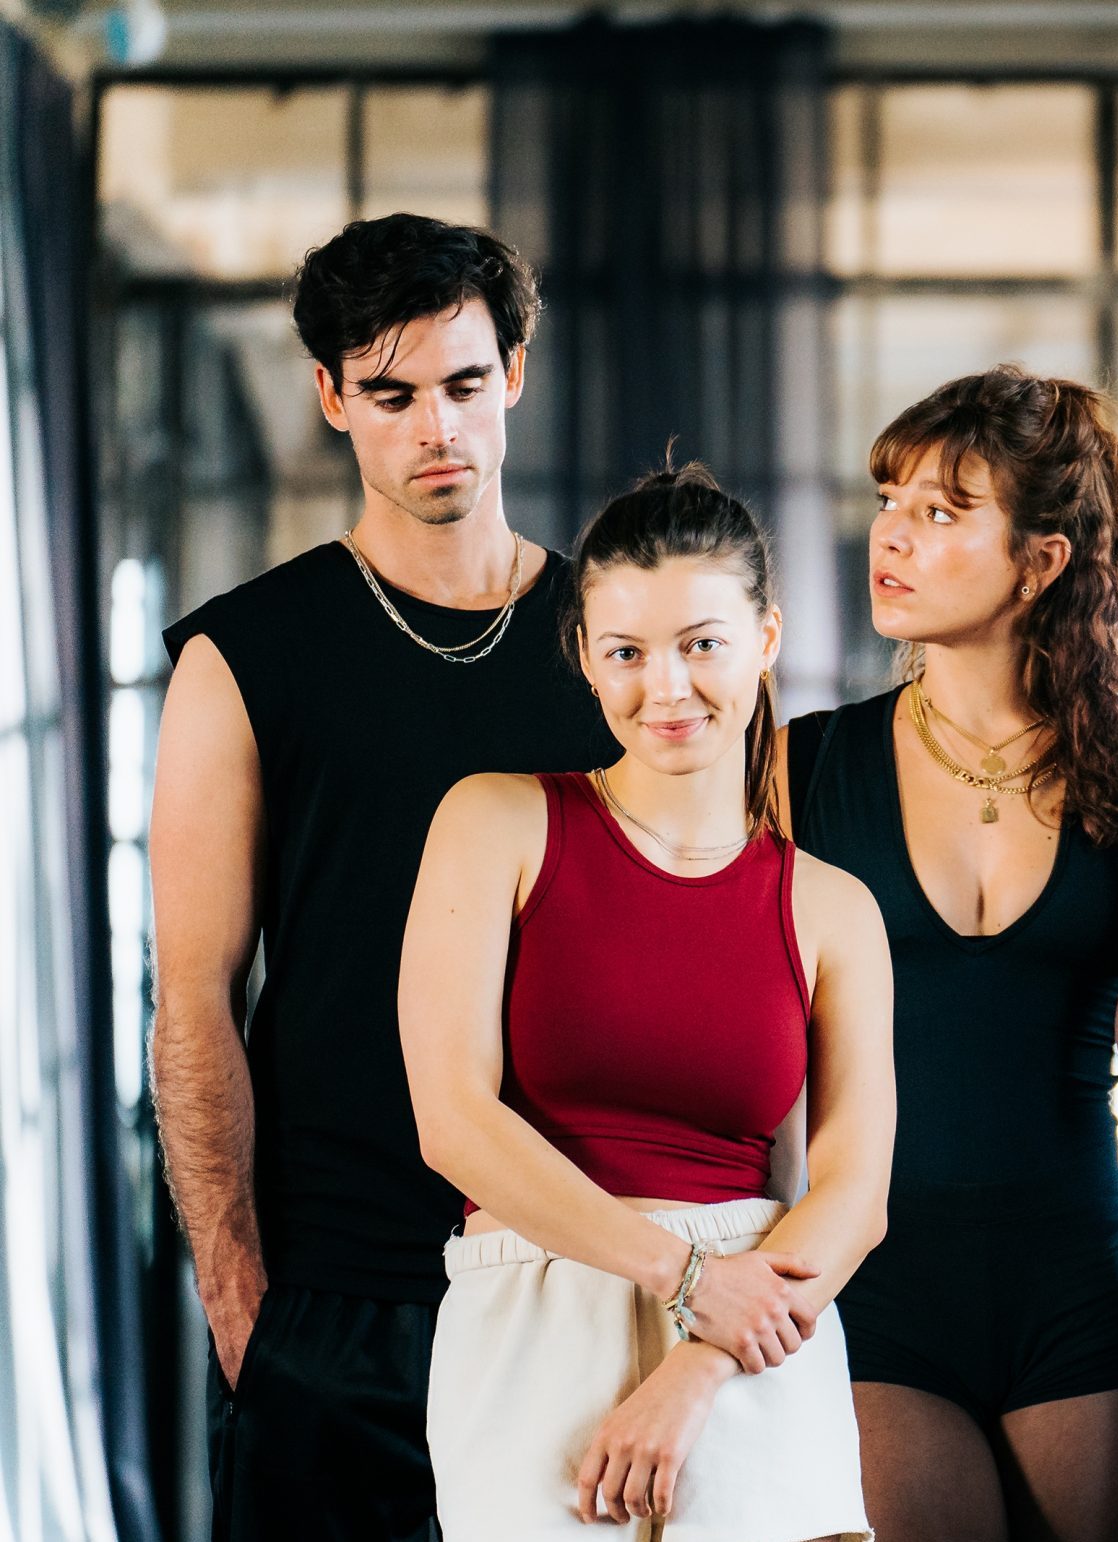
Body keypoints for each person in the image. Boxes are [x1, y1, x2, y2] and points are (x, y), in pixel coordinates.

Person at [149, 213, 618, 1540]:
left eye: (466, 386)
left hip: (571, 1268)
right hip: (333, 1297)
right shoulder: (244, 658)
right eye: (392, 394)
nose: (437, 430)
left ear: (514, 372)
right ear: (331, 397)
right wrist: (239, 1299)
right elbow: (193, 1003)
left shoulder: (620, 654)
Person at [399, 464, 890, 1539]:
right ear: (583, 657)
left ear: (765, 638)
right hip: (534, 1308)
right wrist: (680, 1278)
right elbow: (453, 1120)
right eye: (625, 652)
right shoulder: (494, 826)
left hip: (757, 1331)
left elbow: (854, 1199)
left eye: (701, 644)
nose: (666, 688)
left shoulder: (832, 908)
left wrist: (703, 1355)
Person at [781, 366, 1118, 1542]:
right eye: (890, 500)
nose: (891, 537)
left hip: (1081, 1280)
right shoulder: (797, 771)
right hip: (873, 1280)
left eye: (943, 512)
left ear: (1042, 561)